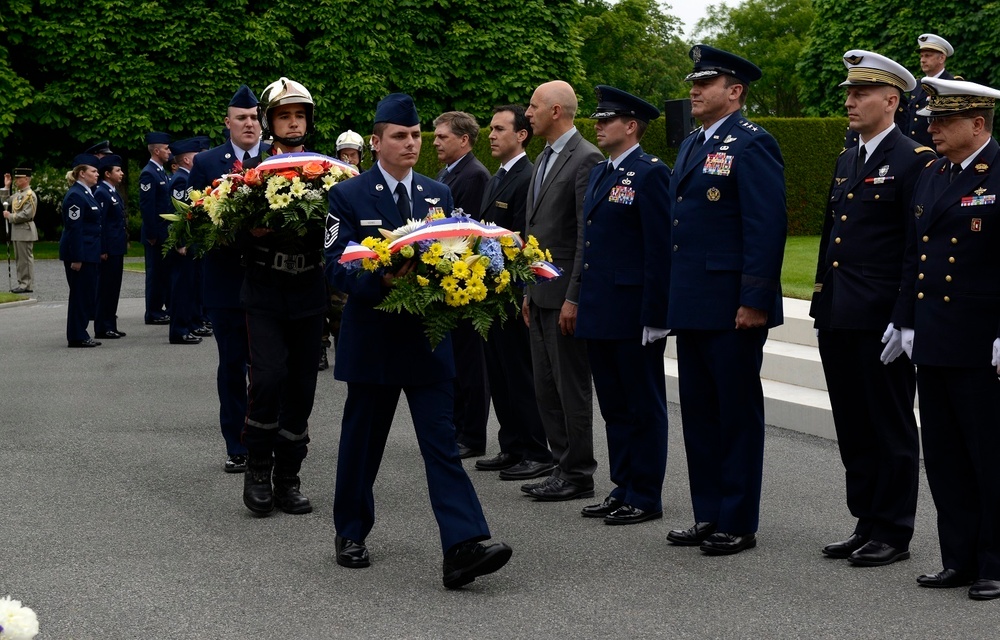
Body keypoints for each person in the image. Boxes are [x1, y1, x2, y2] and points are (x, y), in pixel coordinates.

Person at [325, 92, 512, 588]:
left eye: (414, 136)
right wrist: (378, 279)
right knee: (362, 445)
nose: (410, 144)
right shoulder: (347, 196)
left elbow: (457, 253)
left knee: (441, 447)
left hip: (428, 342)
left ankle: (463, 545)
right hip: (372, 341)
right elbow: (334, 266)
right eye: (399, 136)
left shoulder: (438, 195)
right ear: (376, 141)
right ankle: (350, 531)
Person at [812, 50, 935, 568]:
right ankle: (865, 519)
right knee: (853, 425)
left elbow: (917, 246)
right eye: (849, 92)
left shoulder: (914, 159)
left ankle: (894, 529)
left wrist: (904, 317)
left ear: (892, 100)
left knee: (889, 425)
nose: (850, 101)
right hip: (839, 312)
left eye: (860, 93)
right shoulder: (849, 158)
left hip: (881, 316)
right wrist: (821, 300)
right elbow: (831, 239)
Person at [664, 45, 786, 555]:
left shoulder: (752, 144)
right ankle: (707, 512)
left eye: (706, 82)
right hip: (693, 301)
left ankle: (738, 519)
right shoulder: (693, 143)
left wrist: (754, 297)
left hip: (733, 305)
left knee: (735, 414)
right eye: (694, 81)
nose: (694, 89)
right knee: (699, 411)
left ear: (734, 92)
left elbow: (766, 225)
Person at [891, 76, 1000, 601]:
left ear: (978, 124)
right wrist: (904, 318)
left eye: (944, 120)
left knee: (989, 455)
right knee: (946, 455)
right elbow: (915, 253)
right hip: (934, 336)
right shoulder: (933, 172)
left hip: (982, 342)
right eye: (932, 119)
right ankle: (957, 557)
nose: (931, 128)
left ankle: (994, 562)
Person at [576, 86, 671, 525]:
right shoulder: (600, 172)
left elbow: (659, 248)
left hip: (633, 310)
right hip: (602, 307)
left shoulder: (651, 173)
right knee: (614, 404)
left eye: (606, 118)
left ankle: (645, 493)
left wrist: (656, 314)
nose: (597, 124)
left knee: (642, 404)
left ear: (631, 126)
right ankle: (623, 484)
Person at [238, 77, 326, 517]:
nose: (293, 124)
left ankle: (288, 476)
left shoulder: (329, 172)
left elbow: (339, 231)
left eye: (299, 116)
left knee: (303, 387)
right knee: (268, 378)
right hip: (266, 289)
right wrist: (247, 229)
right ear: (271, 122)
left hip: (309, 291)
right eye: (284, 116)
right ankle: (257, 468)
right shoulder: (248, 174)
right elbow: (223, 230)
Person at [520, 80, 603, 502]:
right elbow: (536, 232)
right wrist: (526, 290)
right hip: (539, 294)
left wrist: (575, 296)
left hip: (565, 297)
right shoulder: (544, 159)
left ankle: (578, 472)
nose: (527, 113)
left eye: (533, 106)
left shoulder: (585, 158)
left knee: (570, 388)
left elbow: (586, 236)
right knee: (545, 387)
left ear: (556, 111)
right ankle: (561, 465)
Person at [474, 104, 553, 480]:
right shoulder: (497, 176)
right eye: (490, 129)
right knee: (500, 374)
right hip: (492, 292)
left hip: (514, 290)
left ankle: (536, 450)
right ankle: (512, 445)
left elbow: (525, 237)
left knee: (521, 374)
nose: (491, 135)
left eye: (499, 129)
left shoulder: (528, 176)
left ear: (521, 135)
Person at [189, 84, 265, 475]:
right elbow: (193, 215)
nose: (249, 124)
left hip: (269, 281)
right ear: (228, 123)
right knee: (233, 365)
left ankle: (266, 438)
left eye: (254, 117)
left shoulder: (278, 159)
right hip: (225, 284)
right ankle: (237, 444)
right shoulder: (206, 162)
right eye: (242, 118)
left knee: (268, 368)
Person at [433, 110, 492, 458]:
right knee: (455, 362)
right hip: (449, 281)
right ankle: (458, 428)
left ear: (464, 139)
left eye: (442, 137)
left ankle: (472, 434)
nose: (435, 142)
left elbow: (467, 231)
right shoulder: (449, 172)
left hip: (465, 283)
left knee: (470, 365)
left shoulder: (474, 176)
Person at [165, 137, 210, 346]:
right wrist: (181, 242)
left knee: (192, 285)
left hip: (193, 241)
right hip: (184, 243)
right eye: (195, 156)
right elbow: (178, 213)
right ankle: (179, 330)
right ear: (186, 160)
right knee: (182, 287)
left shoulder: (187, 178)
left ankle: (190, 323)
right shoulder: (181, 181)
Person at [59, 154, 103, 348]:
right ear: (82, 173)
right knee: (80, 295)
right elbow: (74, 229)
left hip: (89, 251)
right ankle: (77, 335)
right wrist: (77, 258)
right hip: (81, 254)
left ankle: (80, 332)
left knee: (86, 294)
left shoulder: (86, 192)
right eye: (93, 171)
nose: (97, 174)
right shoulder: (76, 195)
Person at [139, 131, 173, 325]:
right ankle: (152, 311)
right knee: (155, 273)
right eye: (166, 149)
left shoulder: (161, 172)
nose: (169, 152)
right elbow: (147, 206)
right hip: (156, 233)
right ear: (157, 150)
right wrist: (151, 233)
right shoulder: (148, 173)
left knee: (163, 273)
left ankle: (161, 308)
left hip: (164, 231)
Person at [93, 155, 128, 339]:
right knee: (105, 288)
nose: (121, 173)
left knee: (113, 288)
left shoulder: (112, 191)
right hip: (109, 249)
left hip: (116, 247)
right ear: (107, 174)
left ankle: (110, 324)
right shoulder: (101, 192)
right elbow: (101, 224)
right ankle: (102, 326)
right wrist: (103, 249)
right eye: (117, 170)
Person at [899, 34, 955, 148]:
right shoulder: (917, 85)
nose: (923, 60)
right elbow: (909, 121)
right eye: (922, 56)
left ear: (942, 58)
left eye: (928, 56)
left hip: (938, 153)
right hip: (913, 151)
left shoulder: (951, 85)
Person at [1, 168, 38, 294]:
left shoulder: (30, 195)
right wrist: (6, 186)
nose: (16, 180)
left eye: (18, 178)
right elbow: (5, 202)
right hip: (17, 231)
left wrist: (10, 216)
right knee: (19, 259)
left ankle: (26, 284)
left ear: (26, 179)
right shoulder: (19, 194)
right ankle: (22, 283)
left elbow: (27, 214)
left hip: (25, 230)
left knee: (25, 260)